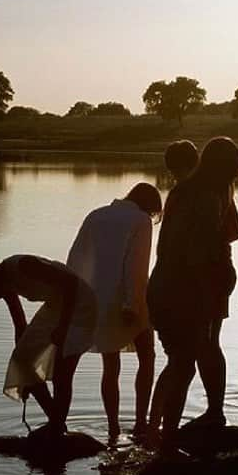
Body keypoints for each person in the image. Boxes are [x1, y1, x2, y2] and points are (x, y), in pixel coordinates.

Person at [147, 137, 238, 455]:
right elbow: (194, 251)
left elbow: (209, 240)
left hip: (191, 284)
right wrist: (207, 285)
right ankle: (170, 436)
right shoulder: (204, 193)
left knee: (190, 356)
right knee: (187, 357)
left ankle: (176, 432)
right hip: (188, 286)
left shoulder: (205, 190)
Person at [0, 249, 98, 436]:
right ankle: (56, 421)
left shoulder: (22, 265)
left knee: (61, 373)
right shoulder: (5, 285)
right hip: (55, 307)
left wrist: (63, 327)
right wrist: (26, 380)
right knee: (21, 361)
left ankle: (56, 425)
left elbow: (70, 283)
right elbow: (20, 327)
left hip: (79, 305)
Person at [66, 183, 162, 441]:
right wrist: (132, 304)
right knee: (147, 356)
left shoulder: (96, 215)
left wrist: (76, 301)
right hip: (127, 299)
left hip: (96, 300)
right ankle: (141, 422)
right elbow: (136, 266)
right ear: (151, 208)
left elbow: (76, 258)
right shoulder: (140, 220)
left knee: (111, 366)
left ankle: (113, 428)